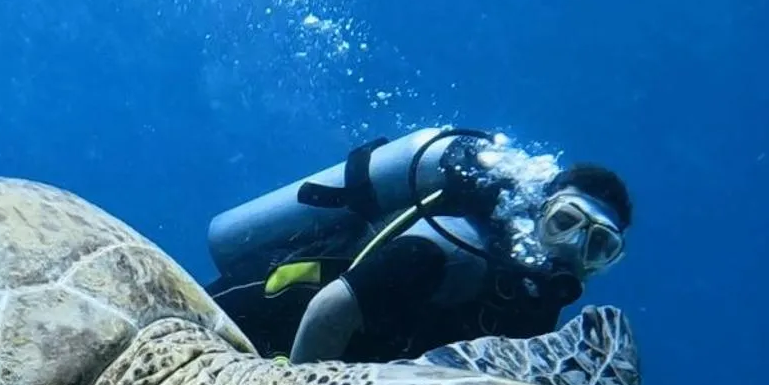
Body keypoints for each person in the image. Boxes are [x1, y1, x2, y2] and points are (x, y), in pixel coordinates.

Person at [202, 126, 634, 363]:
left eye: (598, 245)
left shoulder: (535, 314)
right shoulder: (453, 248)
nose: (572, 247)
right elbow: (329, 310)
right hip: (253, 318)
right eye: (564, 222)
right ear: (536, 212)